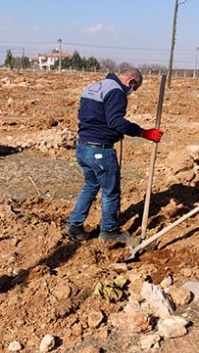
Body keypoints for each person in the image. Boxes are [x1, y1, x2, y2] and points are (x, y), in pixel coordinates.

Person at [65, 68, 163, 243]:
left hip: (83, 147)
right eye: (135, 88)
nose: (132, 92)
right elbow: (115, 122)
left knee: (91, 185)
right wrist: (143, 132)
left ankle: (74, 225)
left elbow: (94, 117)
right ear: (131, 81)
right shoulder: (116, 91)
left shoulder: (94, 87)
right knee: (111, 192)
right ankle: (109, 231)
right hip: (100, 151)